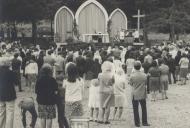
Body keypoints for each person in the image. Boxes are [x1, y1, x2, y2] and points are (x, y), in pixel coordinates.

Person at [35, 64, 58, 128]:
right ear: (50, 71)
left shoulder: (39, 80)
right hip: (51, 100)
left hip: (41, 100)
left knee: (42, 117)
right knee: (49, 117)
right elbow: (56, 91)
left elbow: (36, 91)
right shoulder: (52, 79)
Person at [129, 61, 150, 127]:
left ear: (134, 67)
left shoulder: (132, 75)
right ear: (140, 67)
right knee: (144, 108)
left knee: (135, 109)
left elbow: (131, 84)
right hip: (142, 92)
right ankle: (144, 122)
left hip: (135, 93)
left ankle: (137, 123)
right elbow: (146, 83)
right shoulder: (144, 75)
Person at [0, 58, 17, 128]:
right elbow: (16, 82)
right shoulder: (11, 72)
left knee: (1, 113)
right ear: (8, 64)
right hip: (10, 94)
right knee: (10, 113)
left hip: (0, 93)